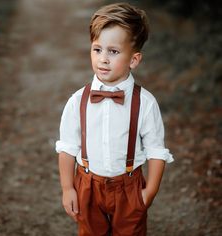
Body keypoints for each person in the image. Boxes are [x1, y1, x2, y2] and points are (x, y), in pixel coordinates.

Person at [56, 2, 174, 236]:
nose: (103, 59)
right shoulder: (78, 100)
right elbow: (68, 148)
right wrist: (68, 188)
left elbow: (155, 151)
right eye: (97, 49)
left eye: (114, 51)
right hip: (88, 184)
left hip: (128, 187)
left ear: (134, 60)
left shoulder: (145, 104)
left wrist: (148, 193)